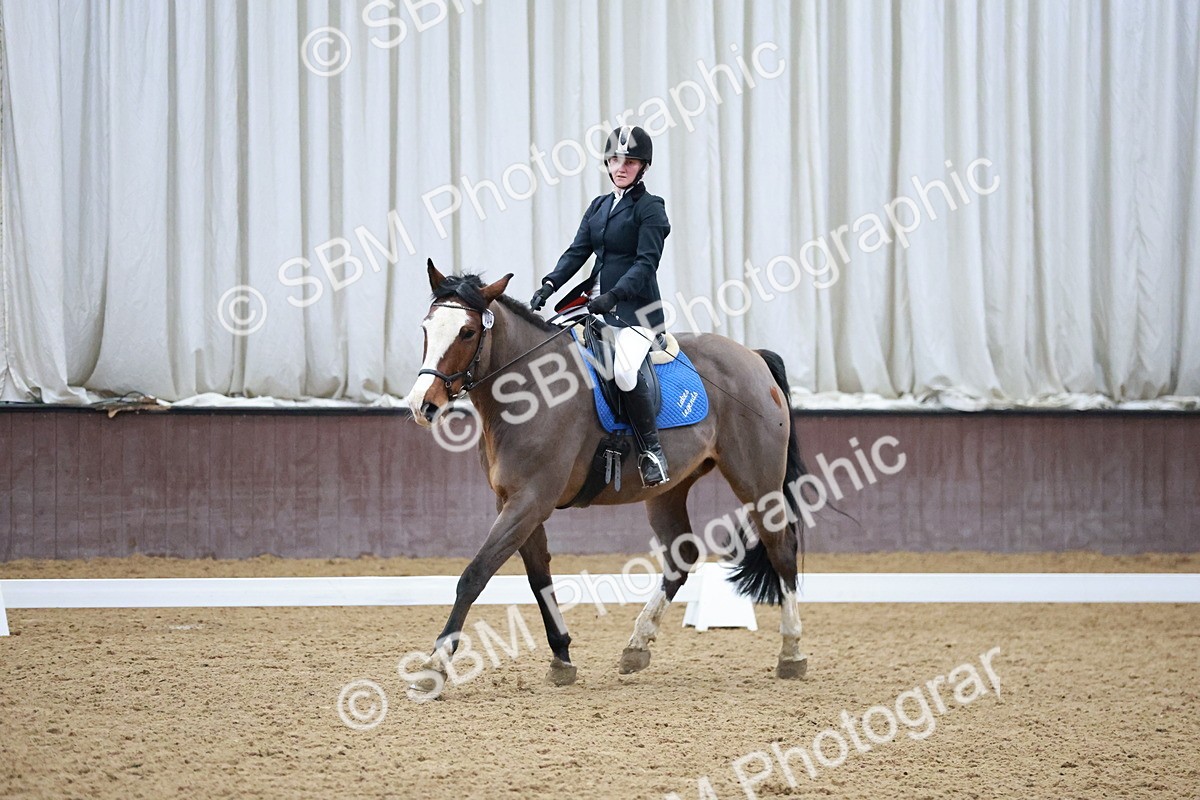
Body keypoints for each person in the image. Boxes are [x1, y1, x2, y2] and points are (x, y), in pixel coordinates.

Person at [529, 125, 671, 487]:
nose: (621, 167)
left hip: (635, 313)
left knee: (624, 371)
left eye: (630, 161)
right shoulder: (599, 206)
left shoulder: (651, 208)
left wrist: (615, 295)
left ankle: (651, 451)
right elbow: (578, 252)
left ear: (643, 167)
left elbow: (645, 263)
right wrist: (550, 284)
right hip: (592, 308)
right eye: (615, 160)